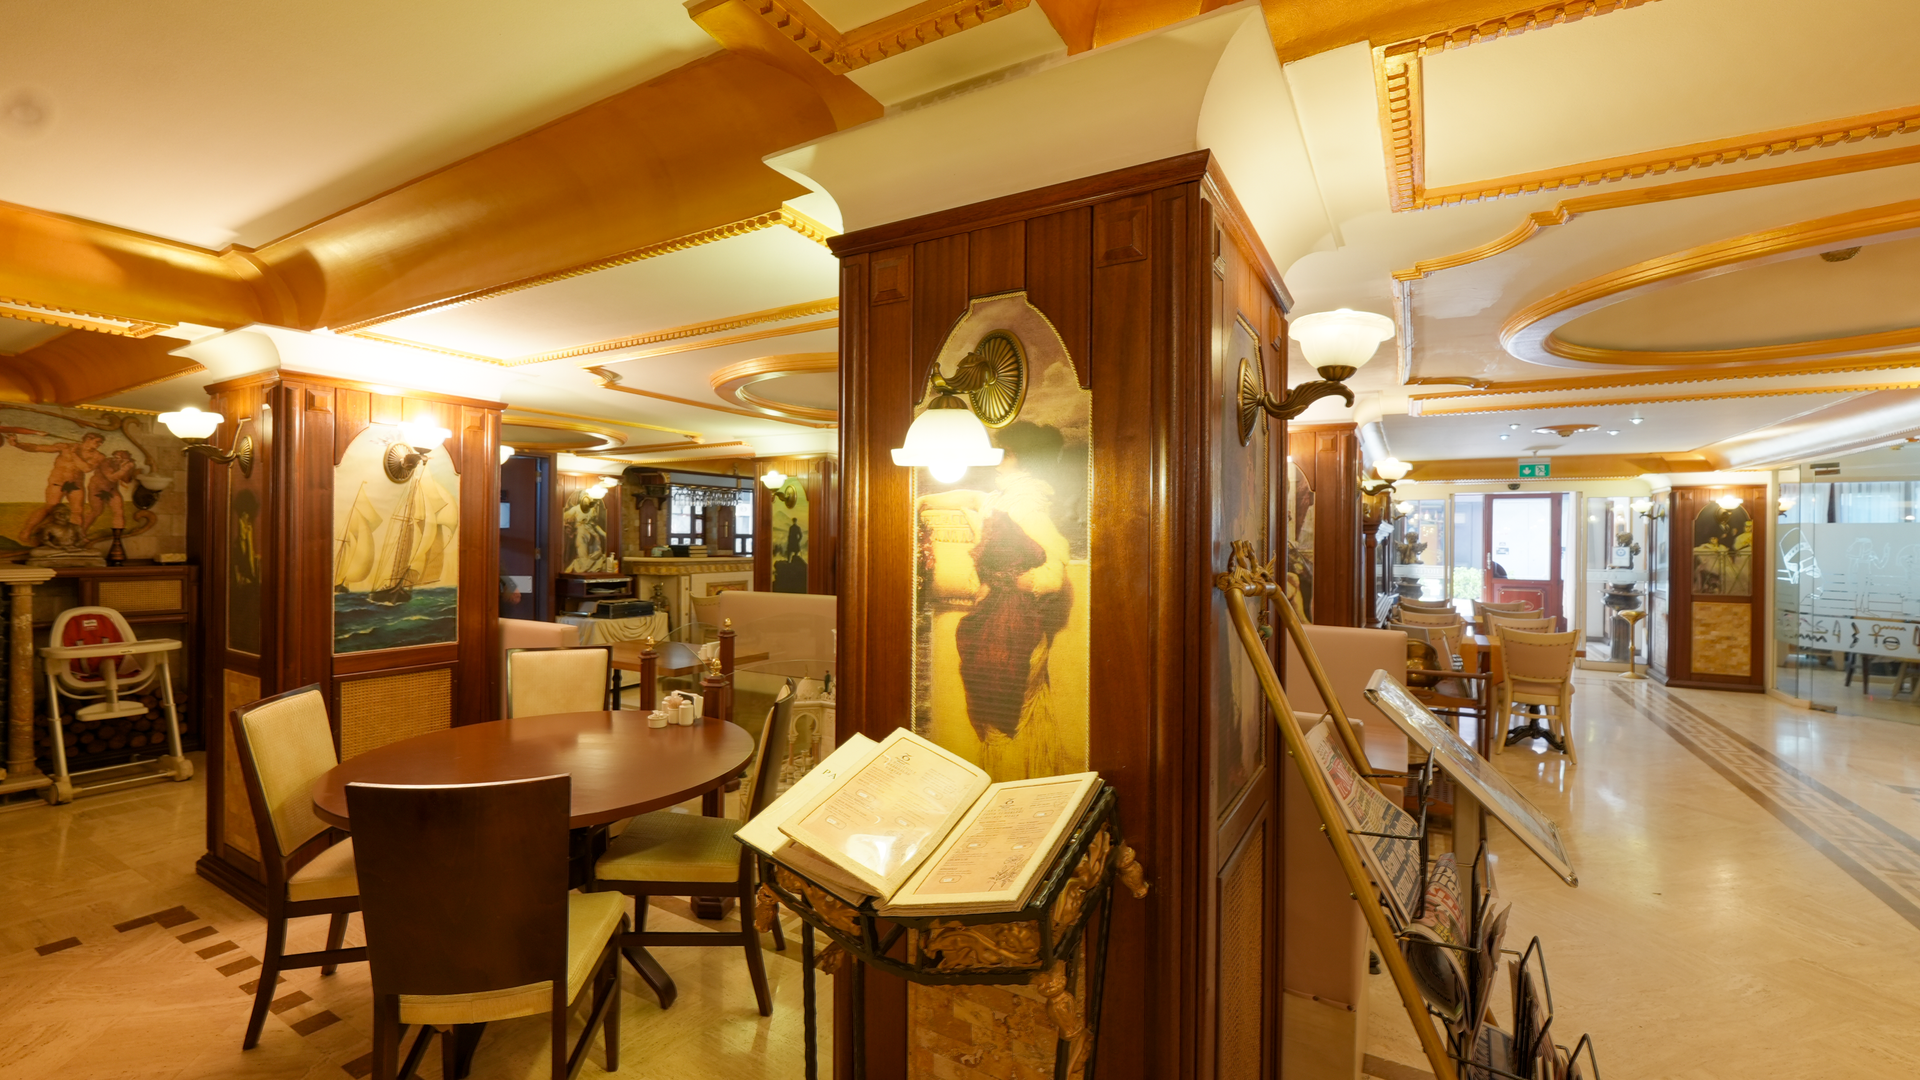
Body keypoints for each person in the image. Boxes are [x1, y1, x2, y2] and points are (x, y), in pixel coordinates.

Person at [951, 421, 1074, 780]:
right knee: (990, 689)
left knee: (1009, 696)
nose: (996, 458)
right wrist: (924, 501)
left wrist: (1033, 581)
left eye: (1002, 451)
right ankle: (998, 776)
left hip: (1016, 618)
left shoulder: (1025, 504)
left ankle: (1016, 780)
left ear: (1018, 457)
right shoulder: (1005, 497)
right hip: (997, 613)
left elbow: (1057, 554)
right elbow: (974, 499)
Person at [12, 431, 107, 543]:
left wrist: (74, 453)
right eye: (97, 442)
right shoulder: (65, 447)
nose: (99, 444)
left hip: (75, 484)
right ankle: (26, 532)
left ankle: (76, 536)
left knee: (77, 511)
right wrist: (17, 444)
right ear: (88, 439)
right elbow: (37, 448)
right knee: (50, 508)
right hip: (58, 482)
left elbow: (85, 469)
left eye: (101, 443)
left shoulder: (98, 456)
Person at [86, 450, 141, 532]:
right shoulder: (106, 462)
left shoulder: (125, 465)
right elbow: (111, 477)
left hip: (111, 490)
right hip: (97, 489)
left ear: (125, 460)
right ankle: (81, 532)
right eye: (115, 457)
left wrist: (128, 470)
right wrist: (125, 469)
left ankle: (117, 536)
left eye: (118, 458)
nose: (115, 459)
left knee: (118, 511)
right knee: (96, 511)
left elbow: (126, 480)